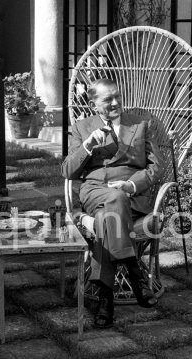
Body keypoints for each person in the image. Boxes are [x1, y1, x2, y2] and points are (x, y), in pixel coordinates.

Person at [61, 78, 163, 328]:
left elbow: (156, 166)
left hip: (130, 195)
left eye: (117, 96)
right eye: (107, 99)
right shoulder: (82, 128)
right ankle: (135, 273)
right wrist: (88, 146)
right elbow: (67, 171)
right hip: (94, 190)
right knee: (113, 200)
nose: (115, 102)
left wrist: (130, 186)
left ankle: (105, 299)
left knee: (109, 215)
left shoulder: (140, 124)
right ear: (93, 103)